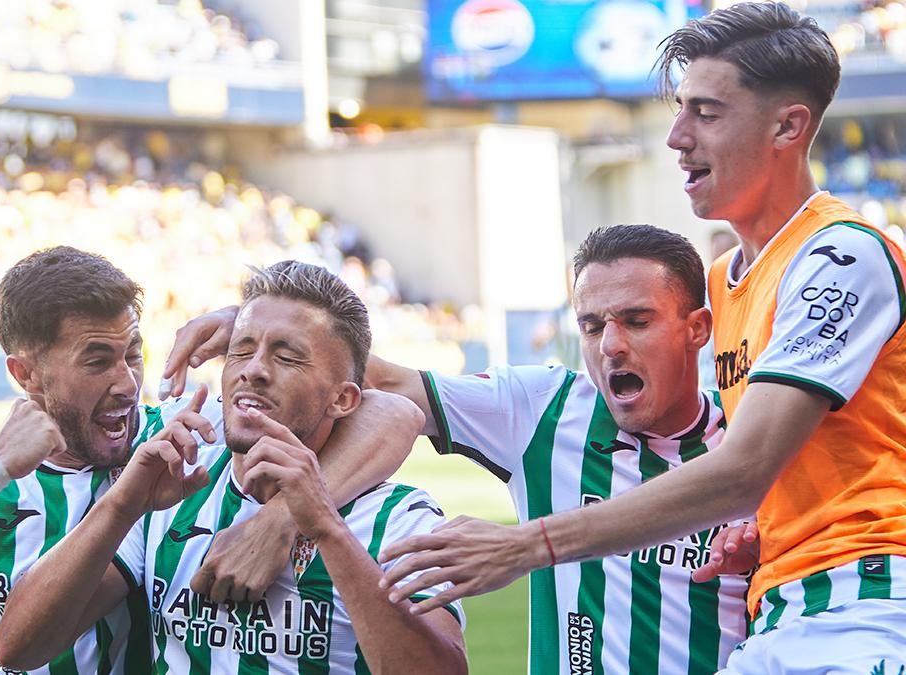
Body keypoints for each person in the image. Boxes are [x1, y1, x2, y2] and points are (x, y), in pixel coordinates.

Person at [375, 4, 906, 672]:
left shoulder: (840, 255)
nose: (676, 136)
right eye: (680, 110)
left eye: (707, 112)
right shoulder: (728, 277)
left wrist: (527, 545)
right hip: (786, 615)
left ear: (788, 125)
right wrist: (766, 528)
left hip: (865, 608)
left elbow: (744, 468)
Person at [161, 226, 753, 674]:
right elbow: (384, 391)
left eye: (638, 320)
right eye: (593, 326)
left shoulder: (758, 444)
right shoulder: (545, 409)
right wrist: (251, 324)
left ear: (697, 328)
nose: (612, 345)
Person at [0, 247, 416, 675]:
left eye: (134, 354)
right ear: (24, 374)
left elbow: (392, 414)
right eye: (97, 360)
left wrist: (280, 520)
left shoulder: (179, 439)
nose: (126, 384)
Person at [0, 260, 467, 674]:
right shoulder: (177, 487)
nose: (253, 369)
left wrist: (319, 526)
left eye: (287, 356)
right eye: (240, 349)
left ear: (343, 399)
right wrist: (121, 503)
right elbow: (19, 646)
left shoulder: (399, 521)